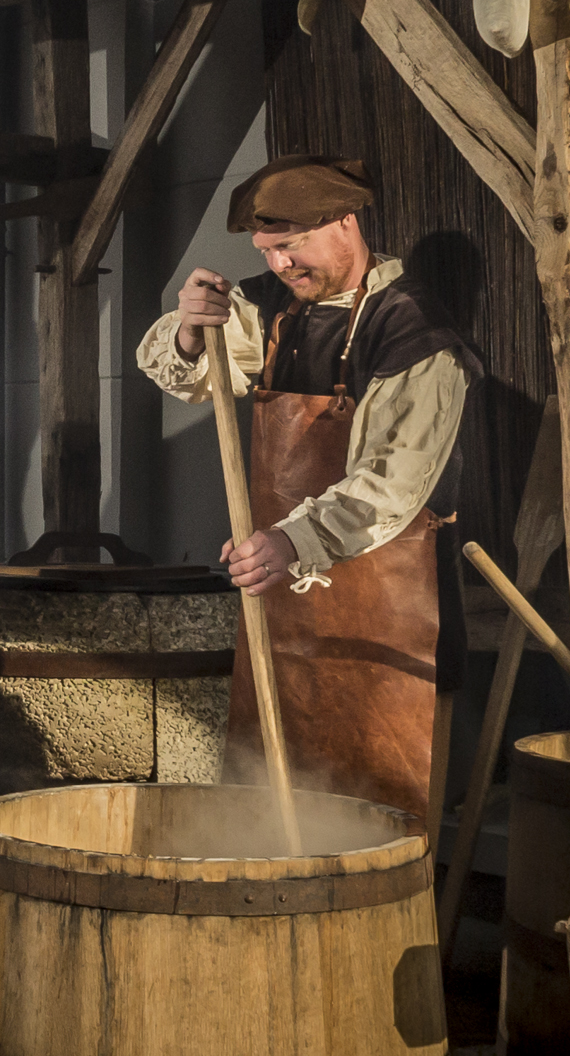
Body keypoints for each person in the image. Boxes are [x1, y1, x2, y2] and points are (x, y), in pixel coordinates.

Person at [141, 154, 467, 827]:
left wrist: (295, 539)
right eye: (268, 251)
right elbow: (184, 373)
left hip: (382, 622)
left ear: (345, 223)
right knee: (262, 795)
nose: (281, 266)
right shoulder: (274, 309)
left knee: (374, 813)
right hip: (279, 613)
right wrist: (190, 328)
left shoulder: (411, 329)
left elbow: (393, 479)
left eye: (291, 248)